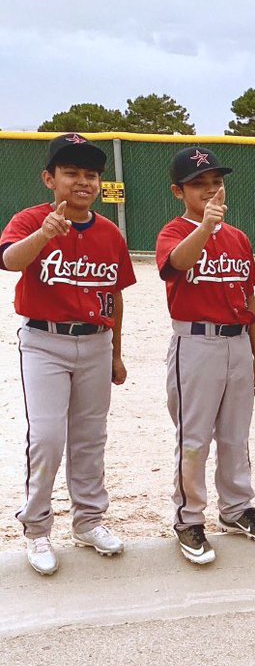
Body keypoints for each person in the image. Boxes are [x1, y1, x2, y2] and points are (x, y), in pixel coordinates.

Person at [1, 134, 135, 575]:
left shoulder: (110, 232)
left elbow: (113, 296)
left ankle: (89, 521)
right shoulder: (30, 220)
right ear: (49, 178)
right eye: (72, 172)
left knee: (90, 437)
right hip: (44, 341)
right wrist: (43, 234)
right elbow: (10, 261)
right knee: (46, 437)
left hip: (95, 343)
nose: (83, 181)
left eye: (91, 174)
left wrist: (116, 352)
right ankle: (37, 528)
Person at [156, 146, 255, 565]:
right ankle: (189, 518)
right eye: (199, 185)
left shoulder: (239, 237)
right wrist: (205, 227)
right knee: (194, 437)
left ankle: (237, 508)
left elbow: (249, 298)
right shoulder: (174, 232)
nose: (210, 190)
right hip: (196, 343)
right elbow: (177, 263)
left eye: (216, 183)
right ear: (179, 191)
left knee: (235, 435)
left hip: (237, 343)